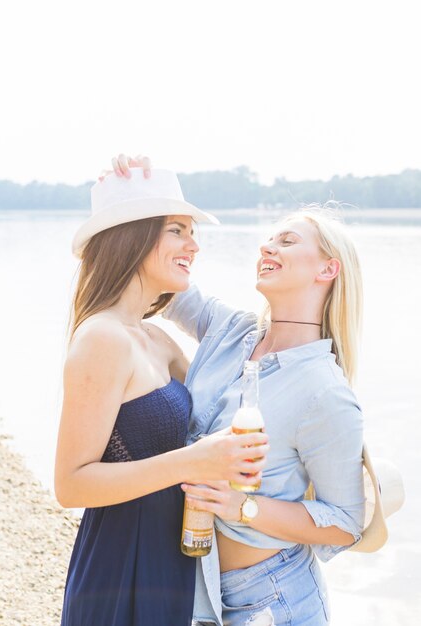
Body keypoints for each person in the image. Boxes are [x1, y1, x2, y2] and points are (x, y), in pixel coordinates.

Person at [109, 156, 366, 626]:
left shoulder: (324, 391)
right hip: (193, 583)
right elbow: (153, 271)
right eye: (269, 238)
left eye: (286, 241)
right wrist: (132, 197)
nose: (267, 246)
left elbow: (345, 524)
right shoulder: (231, 330)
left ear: (327, 269)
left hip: (272, 599)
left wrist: (239, 505)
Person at [54, 163, 269, 626]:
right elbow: (70, 485)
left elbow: (225, 405)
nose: (194, 245)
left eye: (193, 232)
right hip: (121, 564)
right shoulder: (102, 339)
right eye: (177, 230)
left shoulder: (157, 339)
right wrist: (193, 462)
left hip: (173, 557)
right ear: (132, 236)